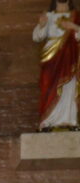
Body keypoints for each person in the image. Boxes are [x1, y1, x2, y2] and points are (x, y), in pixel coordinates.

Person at [33, 0, 79, 131]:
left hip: (70, 59)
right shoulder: (49, 15)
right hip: (51, 59)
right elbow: (37, 37)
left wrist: (73, 27)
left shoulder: (76, 16)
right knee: (48, 87)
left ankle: (70, 121)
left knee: (68, 87)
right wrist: (41, 25)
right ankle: (48, 122)